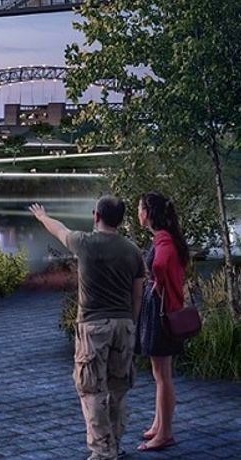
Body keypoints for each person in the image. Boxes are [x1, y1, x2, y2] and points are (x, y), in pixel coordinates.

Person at [29, 198, 144, 460]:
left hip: (93, 327)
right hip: (124, 324)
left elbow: (59, 230)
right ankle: (115, 444)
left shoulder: (84, 243)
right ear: (121, 219)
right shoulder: (133, 250)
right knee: (118, 389)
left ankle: (102, 452)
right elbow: (137, 295)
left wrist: (42, 217)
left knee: (91, 390)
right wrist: (131, 323)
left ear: (96, 216)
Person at [135, 192, 189, 452]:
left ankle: (165, 433)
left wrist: (157, 279)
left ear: (147, 213)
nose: (138, 212)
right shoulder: (166, 236)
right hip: (162, 309)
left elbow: (161, 263)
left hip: (162, 312)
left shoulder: (163, 239)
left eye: (140, 208)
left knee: (162, 376)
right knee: (160, 374)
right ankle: (159, 424)